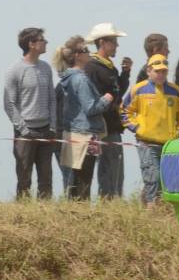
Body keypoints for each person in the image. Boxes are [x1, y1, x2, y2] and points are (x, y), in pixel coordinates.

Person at [122, 55, 179, 204]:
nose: (161, 74)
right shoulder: (138, 89)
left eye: (164, 71)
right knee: (153, 176)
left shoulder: (175, 91)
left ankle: (162, 208)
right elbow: (124, 111)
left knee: (168, 179)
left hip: (169, 144)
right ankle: (151, 208)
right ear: (148, 71)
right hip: (147, 143)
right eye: (157, 71)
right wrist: (137, 128)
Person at [3, 27, 56, 199]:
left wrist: (53, 126)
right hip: (25, 133)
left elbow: (52, 98)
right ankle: (23, 211)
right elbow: (9, 104)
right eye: (42, 40)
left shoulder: (46, 68)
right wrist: (23, 129)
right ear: (31, 44)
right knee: (24, 179)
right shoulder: (14, 70)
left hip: (46, 130)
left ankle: (45, 211)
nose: (46, 42)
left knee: (46, 179)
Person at [58, 41, 113, 200]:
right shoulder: (81, 80)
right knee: (84, 178)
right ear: (78, 56)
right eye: (86, 50)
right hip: (86, 134)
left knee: (76, 177)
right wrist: (106, 99)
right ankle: (81, 209)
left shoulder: (69, 78)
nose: (89, 53)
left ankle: (74, 208)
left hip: (74, 131)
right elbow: (90, 108)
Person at [84, 22, 132, 198]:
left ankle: (114, 200)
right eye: (113, 41)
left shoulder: (109, 66)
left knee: (116, 167)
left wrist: (125, 73)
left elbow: (117, 92)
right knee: (108, 168)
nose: (117, 45)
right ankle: (108, 200)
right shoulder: (92, 67)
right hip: (102, 126)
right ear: (102, 42)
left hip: (112, 124)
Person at [50, 37, 88, 193]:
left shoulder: (65, 83)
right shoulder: (69, 84)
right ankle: (70, 204)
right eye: (85, 50)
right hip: (66, 135)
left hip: (67, 135)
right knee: (71, 178)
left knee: (74, 178)